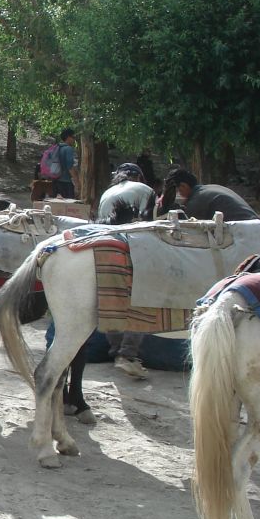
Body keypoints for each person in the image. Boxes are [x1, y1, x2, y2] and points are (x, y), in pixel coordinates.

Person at [96, 163, 157, 380]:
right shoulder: (146, 191)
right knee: (143, 299)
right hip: (131, 250)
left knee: (111, 300)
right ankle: (128, 354)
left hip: (102, 249)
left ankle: (115, 351)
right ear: (139, 177)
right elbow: (151, 227)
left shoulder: (106, 193)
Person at [164, 166, 260, 222]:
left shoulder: (197, 200)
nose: (178, 196)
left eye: (176, 191)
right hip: (256, 226)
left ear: (184, 186)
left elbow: (187, 225)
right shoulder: (209, 188)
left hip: (246, 232)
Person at [52, 127, 79, 199]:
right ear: (68, 137)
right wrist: (77, 183)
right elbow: (70, 167)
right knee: (69, 207)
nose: (74, 139)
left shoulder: (58, 147)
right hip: (66, 183)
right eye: (73, 137)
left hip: (55, 182)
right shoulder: (68, 149)